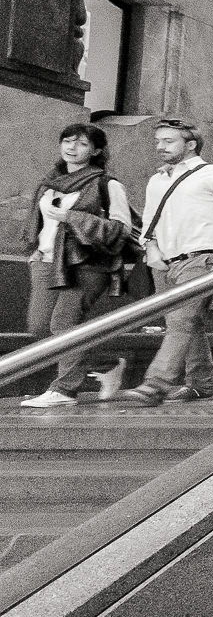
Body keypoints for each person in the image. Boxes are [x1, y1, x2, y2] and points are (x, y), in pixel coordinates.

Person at [121, 119, 213, 407]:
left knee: (181, 322)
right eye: (158, 140)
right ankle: (200, 384)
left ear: (190, 144)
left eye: (168, 141)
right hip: (164, 262)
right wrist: (152, 248)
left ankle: (155, 384)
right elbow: (149, 221)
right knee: (187, 323)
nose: (160, 146)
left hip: (202, 257)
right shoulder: (158, 179)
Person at [18, 124, 135, 408]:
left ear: (95, 151)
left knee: (64, 323)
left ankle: (64, 390)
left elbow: (121, 229)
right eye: (67, 141)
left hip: (88, 263)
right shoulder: (49, 183)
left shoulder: (107, 185)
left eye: (81, 143)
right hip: (47, 261)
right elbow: (39, 222)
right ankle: (106, 364)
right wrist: (35, 250)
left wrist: (73, 216)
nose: (72, 147)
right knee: (40, 327)